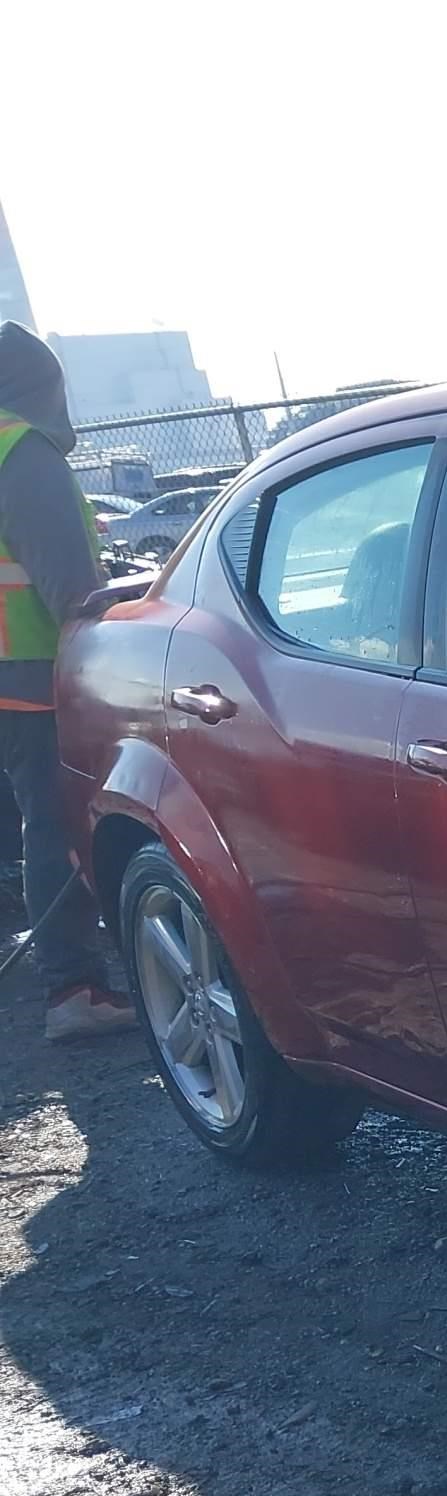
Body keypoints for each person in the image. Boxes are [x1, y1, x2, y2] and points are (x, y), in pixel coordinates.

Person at [0, 323, 134, 1041]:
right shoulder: (23, 452)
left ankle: (67, 977)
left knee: (32, 825)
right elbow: (72, 589)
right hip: (35, 673)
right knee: (57, 825)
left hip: (7, 677)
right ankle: (73, 988)